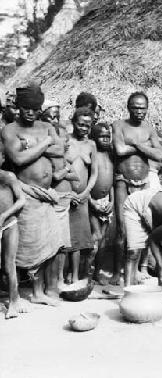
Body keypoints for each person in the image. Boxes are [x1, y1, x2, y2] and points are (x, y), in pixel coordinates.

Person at [2, 85, 63, 305]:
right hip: (26, 193)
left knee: (49, 243)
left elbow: (60, 151)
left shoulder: (46, 125)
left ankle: (40, 292)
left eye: (35, 109)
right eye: (26, 108)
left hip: (46, 195)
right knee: (31, 245)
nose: (30, 112)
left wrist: (33, 146)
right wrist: (46, 142)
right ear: (18, 108)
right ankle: (31, 292)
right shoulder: (10, 129)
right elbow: (17, 160)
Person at [112, 91, 162, 285]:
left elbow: (159, 155)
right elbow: (119, 150)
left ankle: (136, 270)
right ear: (128, 107)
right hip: (122, 180)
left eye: (142, 108)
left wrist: (135, 144)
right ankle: (118, 272)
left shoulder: (149, 129)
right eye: (135, 107)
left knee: (143, 226)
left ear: (147, 109)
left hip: (144, 182)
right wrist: (144, 146)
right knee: (121, 229)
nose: (139, 111)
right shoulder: (118, 125)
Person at [40, 101, 80, 288]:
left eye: (57, 116)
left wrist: (64, 171)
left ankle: (60, 279)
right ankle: (50, 282)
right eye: (51, 116)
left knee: (63, 244)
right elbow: (54, 175)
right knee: (50, 244)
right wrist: (63, 171)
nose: (55, 120)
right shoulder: (43, 138)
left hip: (64, 199)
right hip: (52, 198)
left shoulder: (60, 135)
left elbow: (74, 175)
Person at [65, 107, 98, 283]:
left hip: (82, 197)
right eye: (80, 124)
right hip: (66, 196)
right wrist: (68, 193)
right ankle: (62, 276)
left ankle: (76, 275)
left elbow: (94, 174)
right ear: (73, 122)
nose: (83, 128)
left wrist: (85, 193)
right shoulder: (66, 141)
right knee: (64, 236)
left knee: (77, 239)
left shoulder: (91, 145)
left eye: (87, 125)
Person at [0, 141, 27, 318]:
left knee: (9, 265)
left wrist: (3, 216)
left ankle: (14, 301)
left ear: (2, 158)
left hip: (9, 223)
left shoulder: (8, 177)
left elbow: (21, 200)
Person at [89, 122, 114, 284]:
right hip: (92, 202)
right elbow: (86, 179)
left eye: (107, 136)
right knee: (94, 239)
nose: (105, 140)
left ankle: (97, 272)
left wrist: (112, 200)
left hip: (106, 202)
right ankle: (84, 273)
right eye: (101, 137)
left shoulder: (111, 154)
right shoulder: (92, 153)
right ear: (94, 137)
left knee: (103, 240)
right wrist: (92, 202)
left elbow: (111, 180)